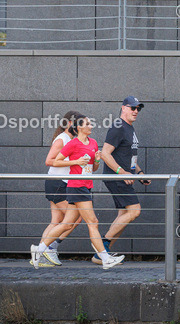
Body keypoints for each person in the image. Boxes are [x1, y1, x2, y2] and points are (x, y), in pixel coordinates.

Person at [33, 115, 124, 269]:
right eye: (88, 124)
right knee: (93, 222)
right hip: (76, 186)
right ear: (79, 127)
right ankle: (105, 258)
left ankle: (39, 249)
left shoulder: (93, 143)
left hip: (86, 186)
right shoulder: (72, 144)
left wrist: (97, 160)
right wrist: (75, 161)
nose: (91, 126)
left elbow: (93, 168)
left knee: (67, 224)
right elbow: (55, 161)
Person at [97, 96, 151, 261]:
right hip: (117, 178)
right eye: (132, 108)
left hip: (124, 177)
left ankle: (101, 255)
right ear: (123, 108)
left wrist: (140, 174)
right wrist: (121, 172)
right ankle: (102, 247)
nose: (136, 111)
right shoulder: (118, 127)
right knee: (134, 210)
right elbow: (105, 153)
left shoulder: (129, 128)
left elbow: (129, 157)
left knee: (124, 215)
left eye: (138, 109)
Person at [30, 110, 83, 267]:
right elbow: (49, 161)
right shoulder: (61, 139)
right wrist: (74, 162)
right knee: (75, 218)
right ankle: (50, 248)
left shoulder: (70, 139)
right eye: (78, 124)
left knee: (56, 221)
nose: (80, 127)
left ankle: (38, 255)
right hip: (57, 184)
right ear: (70, 124)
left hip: (59, 183)